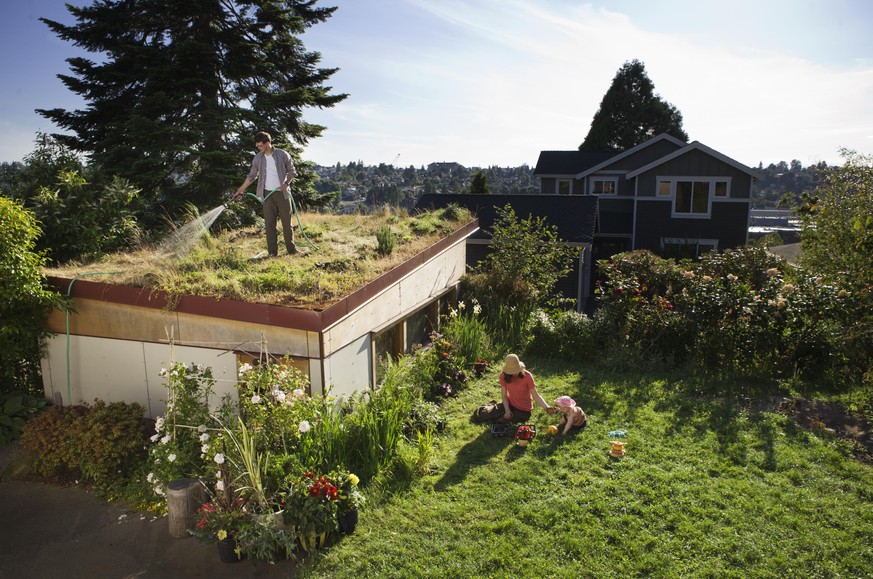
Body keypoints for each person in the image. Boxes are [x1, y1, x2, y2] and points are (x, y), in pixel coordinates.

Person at [233, 131, 298, 256]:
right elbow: (251, 176)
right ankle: (272, 253)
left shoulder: (282, 154)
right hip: (266, 194)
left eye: (260, 146)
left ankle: (292, 250)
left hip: (282, 193)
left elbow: (291, 171)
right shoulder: (258, 158)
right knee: (269, 225)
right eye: (257, 146)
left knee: (286, 223)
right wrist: (240, 190)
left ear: (267, 143)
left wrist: (286, 183)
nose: (258, 148)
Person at [495, 354, 554, 423]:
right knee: (489, 414)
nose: (515, 373)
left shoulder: (527, 376)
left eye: (516, 369)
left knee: (502, 421)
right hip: (510, 404)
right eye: (512, 371)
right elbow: (504, 396)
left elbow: (536, 396)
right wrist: (507, 410)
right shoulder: (503, 376)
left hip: (523, 410)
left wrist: (546, 407)